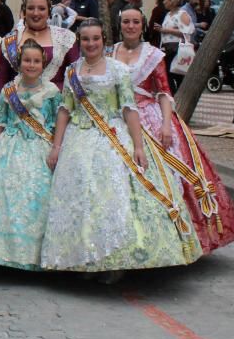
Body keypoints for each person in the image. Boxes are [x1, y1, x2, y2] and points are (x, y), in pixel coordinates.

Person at [41, 19, 201, 279]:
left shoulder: (117, 70)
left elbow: (129, 108)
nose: (90, 44)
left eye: (95, 38)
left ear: (103, 40)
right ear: (79, 41)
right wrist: (56, 145)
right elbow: (64, 110)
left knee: (112, 196)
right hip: (78, 140)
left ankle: (112, 259)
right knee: (80, 198)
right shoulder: (72, 71)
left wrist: (138, 146)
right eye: (85, 39)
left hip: (112, 137)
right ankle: (83, 258)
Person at [113, 8, 234, 254]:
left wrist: (167, 125)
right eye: (126, 22)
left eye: (135, 22)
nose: (130, 26)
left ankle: (178, 236)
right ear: (120, 25)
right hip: (117, 115)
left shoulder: (153, 55)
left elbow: (163, 92)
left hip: (149, 115)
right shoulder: (111, 53)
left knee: (166, 172)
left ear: (143, 25)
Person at [0, 40, 61, 270]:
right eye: (27, 60)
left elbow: (57, 124)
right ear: (19, 63)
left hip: (40, 149)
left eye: (36, 61)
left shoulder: (52, 92)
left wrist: (56, 149)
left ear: (43, 63)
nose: (31, 65)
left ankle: (32, 256)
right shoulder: (8, 90)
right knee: (4, 198)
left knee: (36, 198)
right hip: (10, 148)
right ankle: (0, 254)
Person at [0, 0, 80, 102]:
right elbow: (1, 78)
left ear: (49, 11)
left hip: (57, 106)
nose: (35, 13)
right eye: (30, 8)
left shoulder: (65, 38)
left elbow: (76, 76)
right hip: (18, 107)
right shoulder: (11, 40)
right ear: (24, 11)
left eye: (41, 8)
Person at [156, 0, 195, 93]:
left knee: (177, 75)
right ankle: (173, 97)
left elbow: (187, 32)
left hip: (177, 50)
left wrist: (166, 30)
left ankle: (179, 97)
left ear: (171, 0)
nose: (163, 2)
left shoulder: (182, 14)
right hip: (167, 49)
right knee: (168, 75)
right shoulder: (168, 14)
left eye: (165, 0)